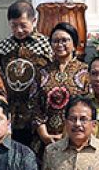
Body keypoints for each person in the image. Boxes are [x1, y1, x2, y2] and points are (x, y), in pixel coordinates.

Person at [0, 0, 52, 149]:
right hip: (13, 108)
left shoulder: (45, 44)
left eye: (23, 25)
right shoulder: (4, 46)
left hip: (36, 108)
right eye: (14, 26)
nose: (19, 30)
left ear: (34, 21)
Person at [34, 22, 90, 151]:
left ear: (74, 44)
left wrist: (67, 133)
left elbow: (89, 103)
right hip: (46, 139)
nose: (60, 45)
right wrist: (44, 134)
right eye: (55, 41)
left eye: (64, 40)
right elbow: (34, 105)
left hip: (76, 135)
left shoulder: (85, 72)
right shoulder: (42, 72)